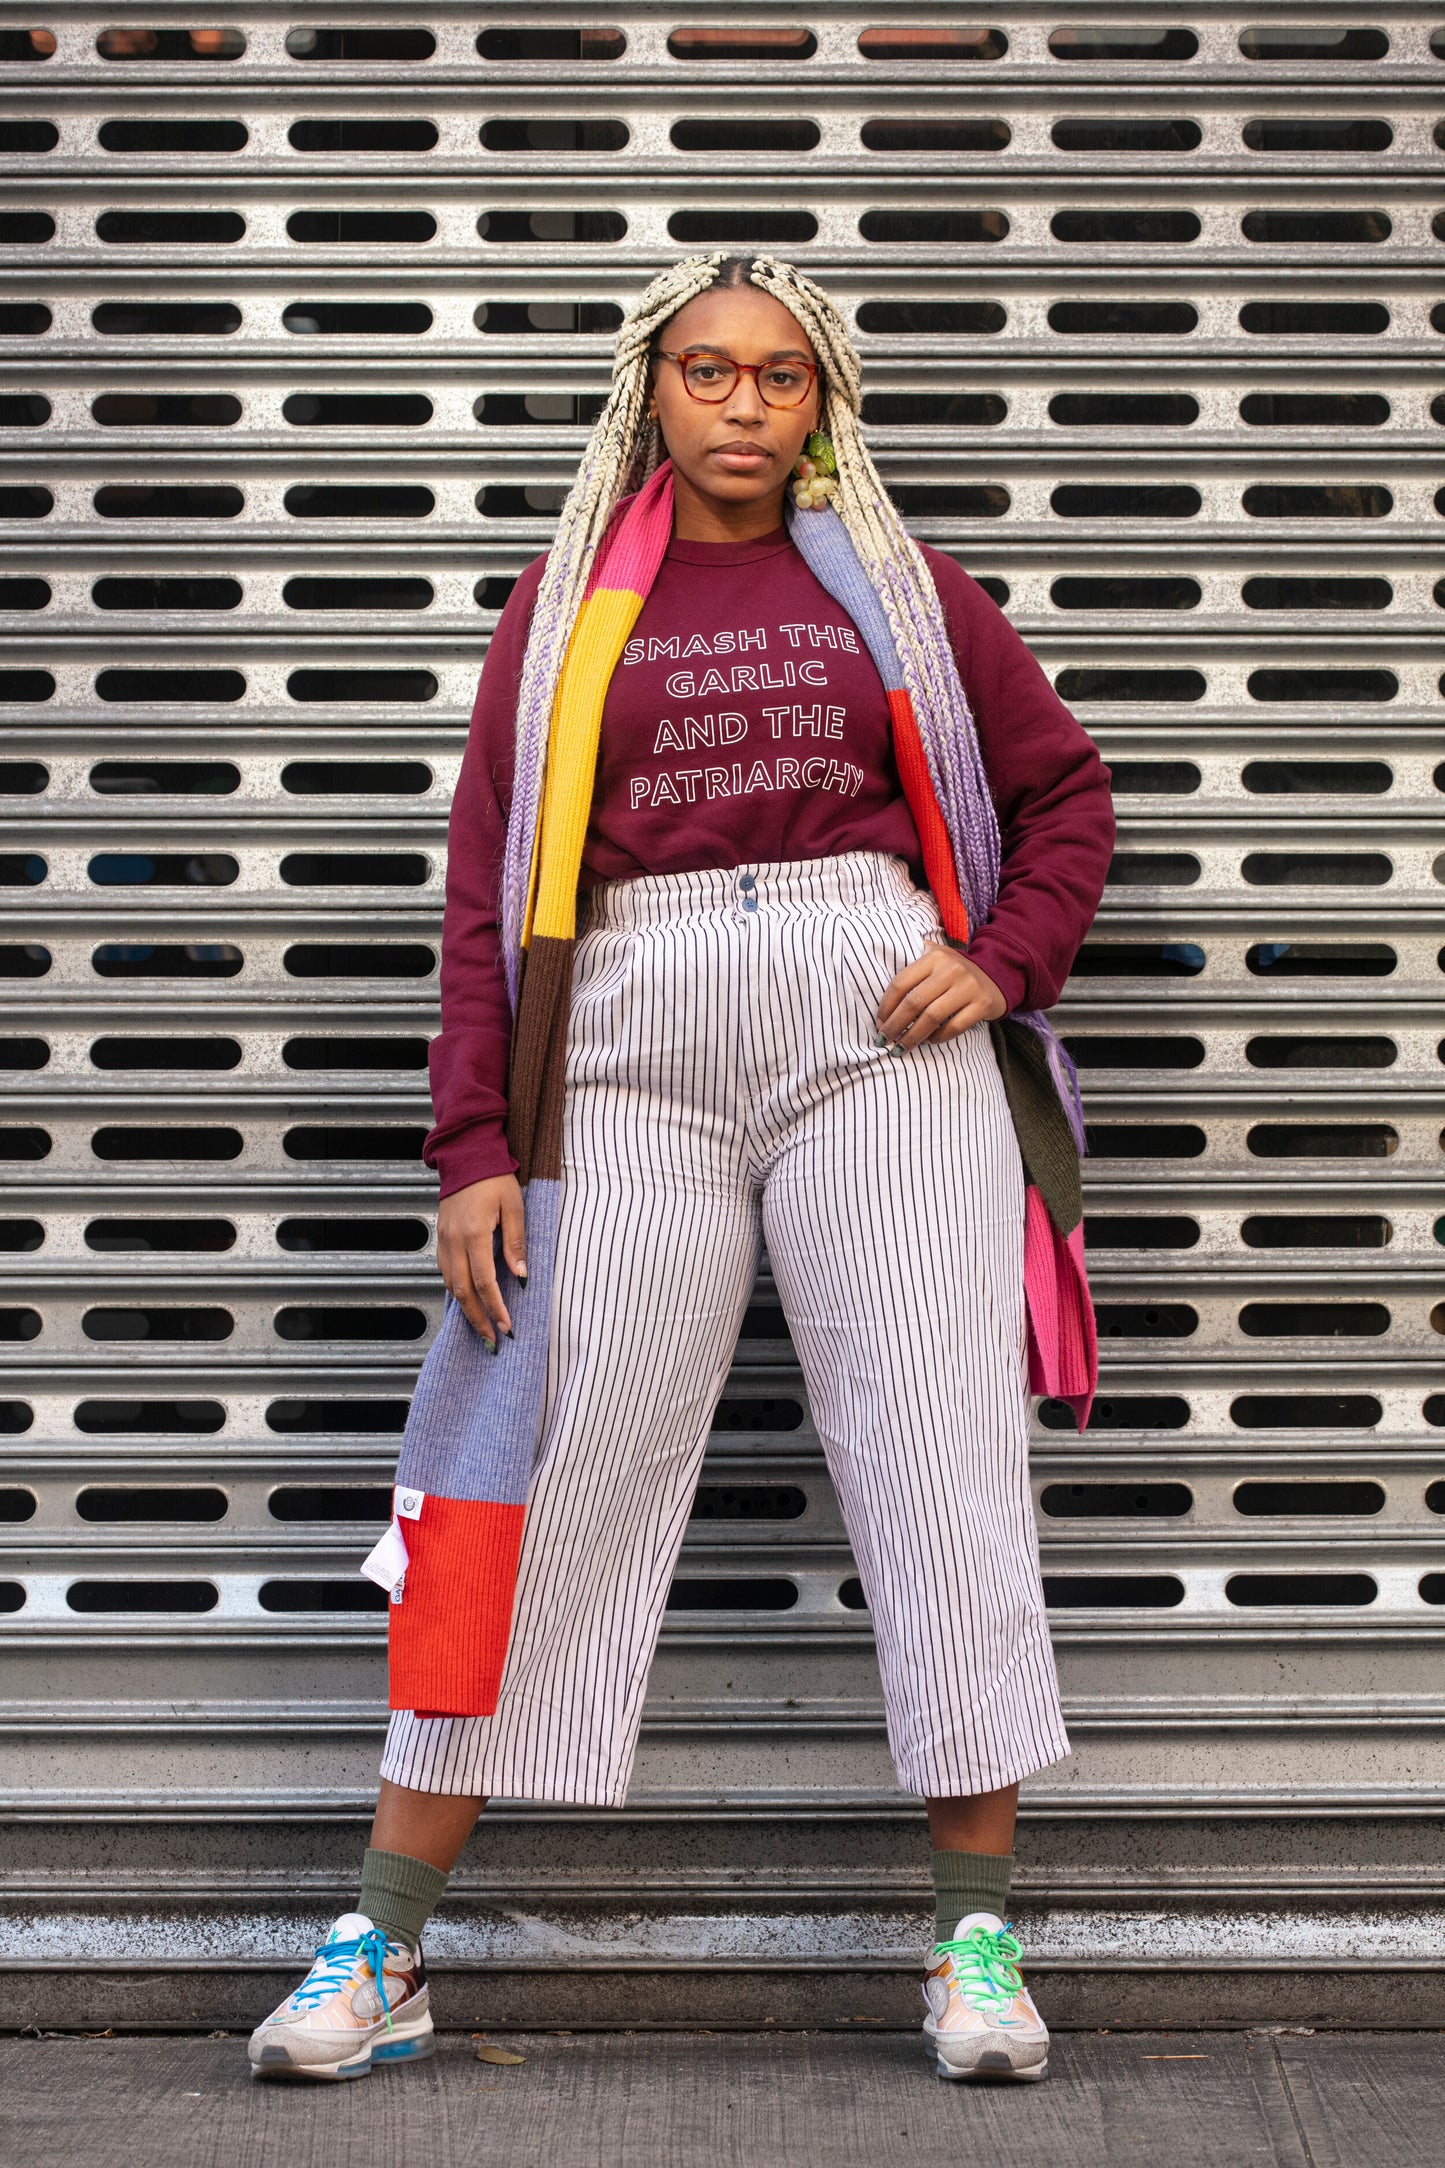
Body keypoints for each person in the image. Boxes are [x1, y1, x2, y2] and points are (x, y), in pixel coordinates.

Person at [249, 252, 1114, 2085]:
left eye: (779, 377)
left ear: (823, 403)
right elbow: (490, 892)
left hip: (865, 1013)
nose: (743, 405)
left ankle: (975, 1946)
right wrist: (474, 1141)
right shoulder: (564, 606)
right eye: (709, 373)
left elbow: (1064, 793)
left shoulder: (896, 583)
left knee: (933, 1450)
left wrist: (1005, 957)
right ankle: (384, 1951)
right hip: (628, 1030)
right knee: (536, 1470)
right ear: (654, 391)